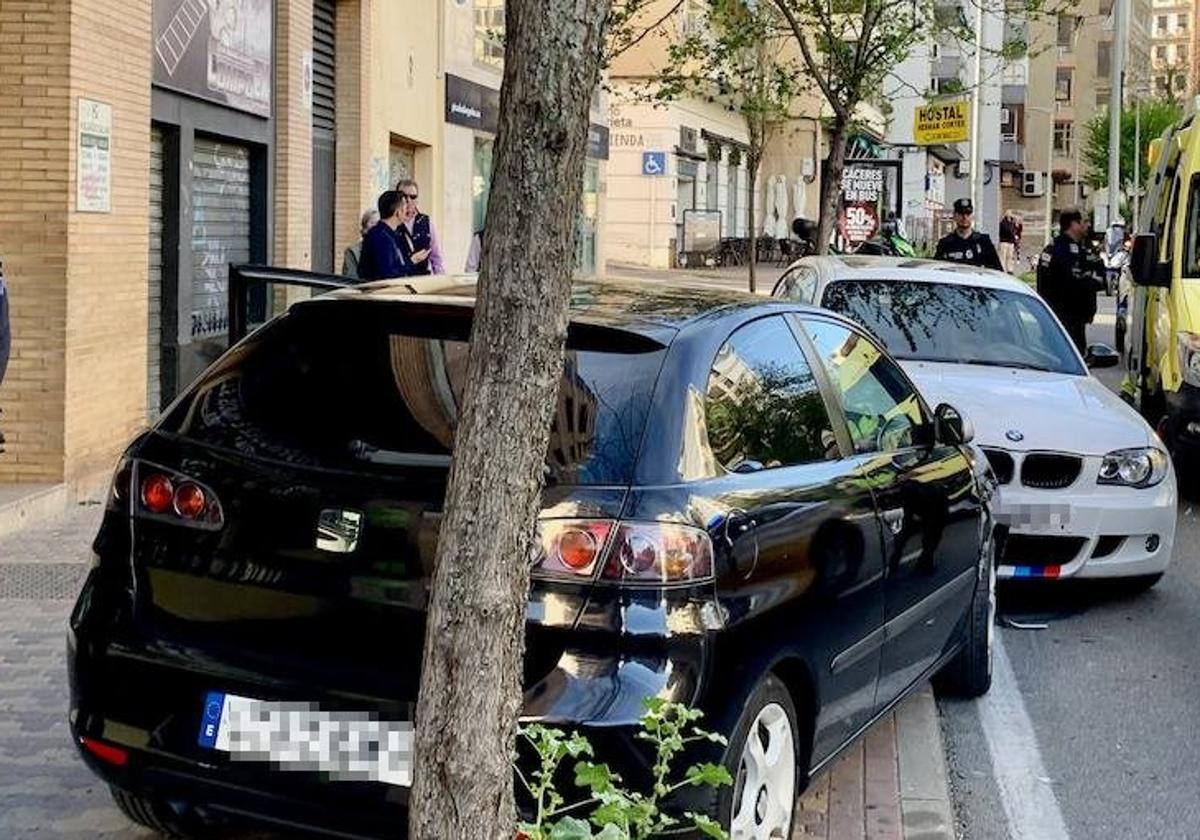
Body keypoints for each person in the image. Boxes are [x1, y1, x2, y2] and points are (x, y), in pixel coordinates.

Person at [1036, 208, 1106, 354]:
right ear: (1074, 224)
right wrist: (1090, 280)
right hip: (1066, 319)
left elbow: (1101, 276)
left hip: (1073, 320)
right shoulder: (1061, 251)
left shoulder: (1081, 248)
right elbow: (1072, 284)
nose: (1088, 225)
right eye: (1085, 221)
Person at [393, 179, 444, 276]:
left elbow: (437, 258)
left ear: (417, 199)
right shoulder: (391, 222)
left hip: (422, 281)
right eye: (403, 196)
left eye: (412, 197)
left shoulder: (427, 222)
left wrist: (441, 282)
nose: (408, 200)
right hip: (398, 281)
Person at [934, 198, 1003, 270]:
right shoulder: (945, 243)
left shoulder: (983, 242)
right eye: (961, 214)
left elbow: (997, 271)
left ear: (972, 216)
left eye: (968, 214)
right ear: (954, 216)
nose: (965, 217)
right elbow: (937, 271)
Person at [357, 191, 409, 281]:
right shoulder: (381, 237)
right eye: (405, 208)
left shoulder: (387, 234)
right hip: (378, 292)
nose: (407, 212)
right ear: (397, 212)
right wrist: (411, 263)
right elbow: (389, 275)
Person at [340, 208, 380, 280]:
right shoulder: (353, 252)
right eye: (372, 223)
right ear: (365, 227)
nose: (376, 227)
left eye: (378, 223)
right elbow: (350, 280)